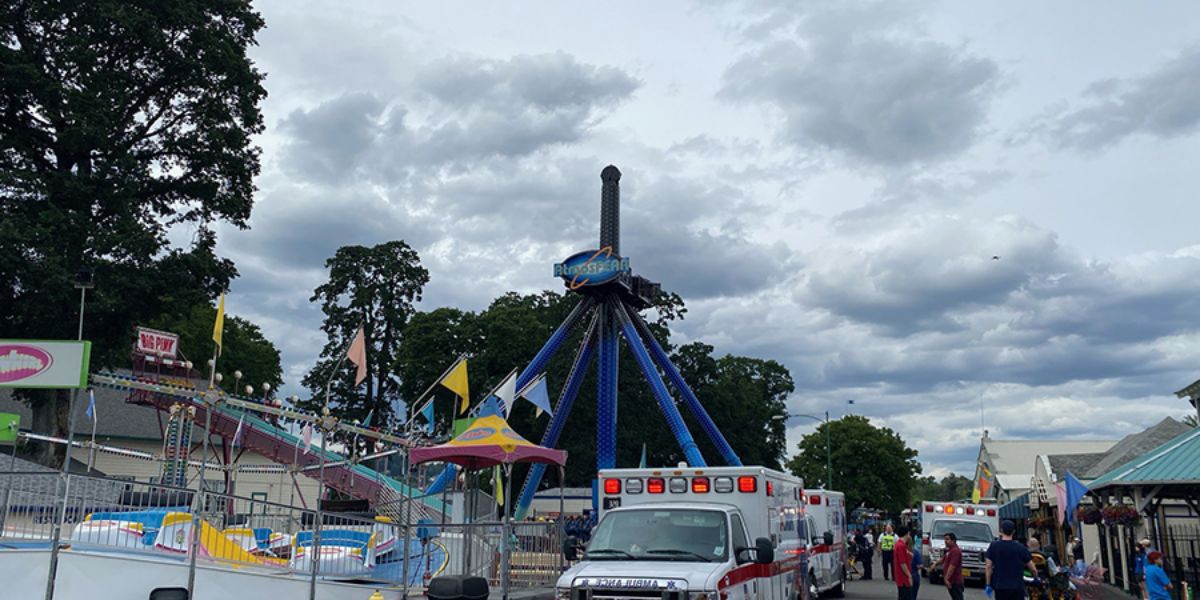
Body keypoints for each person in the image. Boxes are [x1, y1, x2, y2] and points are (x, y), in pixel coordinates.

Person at [985, 520, 1036, 600]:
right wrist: (1036, 577)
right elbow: (1032, 568)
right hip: (1017, 587)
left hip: (1000, 586)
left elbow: (988, 566)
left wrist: (988, 584)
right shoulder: (1021, 548)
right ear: (1014, 532)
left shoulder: (994, 546)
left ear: (1001, 531)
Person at [936, 532, 965, 600]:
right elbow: (943, 559)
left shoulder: (955, 551)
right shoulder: (950, 550)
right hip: (952, 581)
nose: (945, 541)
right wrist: (934, 564)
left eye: (947, 539)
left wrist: (946, 578)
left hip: (955, 581)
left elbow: (952, 566)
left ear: (953, 540)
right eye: (945, 539)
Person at [893, 526, 914, 600]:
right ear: (907, 534)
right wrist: (909, 575)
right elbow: (902, 563)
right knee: (905, 596)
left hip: (901, 576)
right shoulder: (901, 546)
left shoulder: (900, 545)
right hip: (903, 577)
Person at [910, 529, 923, 599]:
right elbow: (920, 565)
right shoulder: (915, 552)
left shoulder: (902, 551)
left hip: (903, 577)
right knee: (913, 595)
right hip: (914, 575)